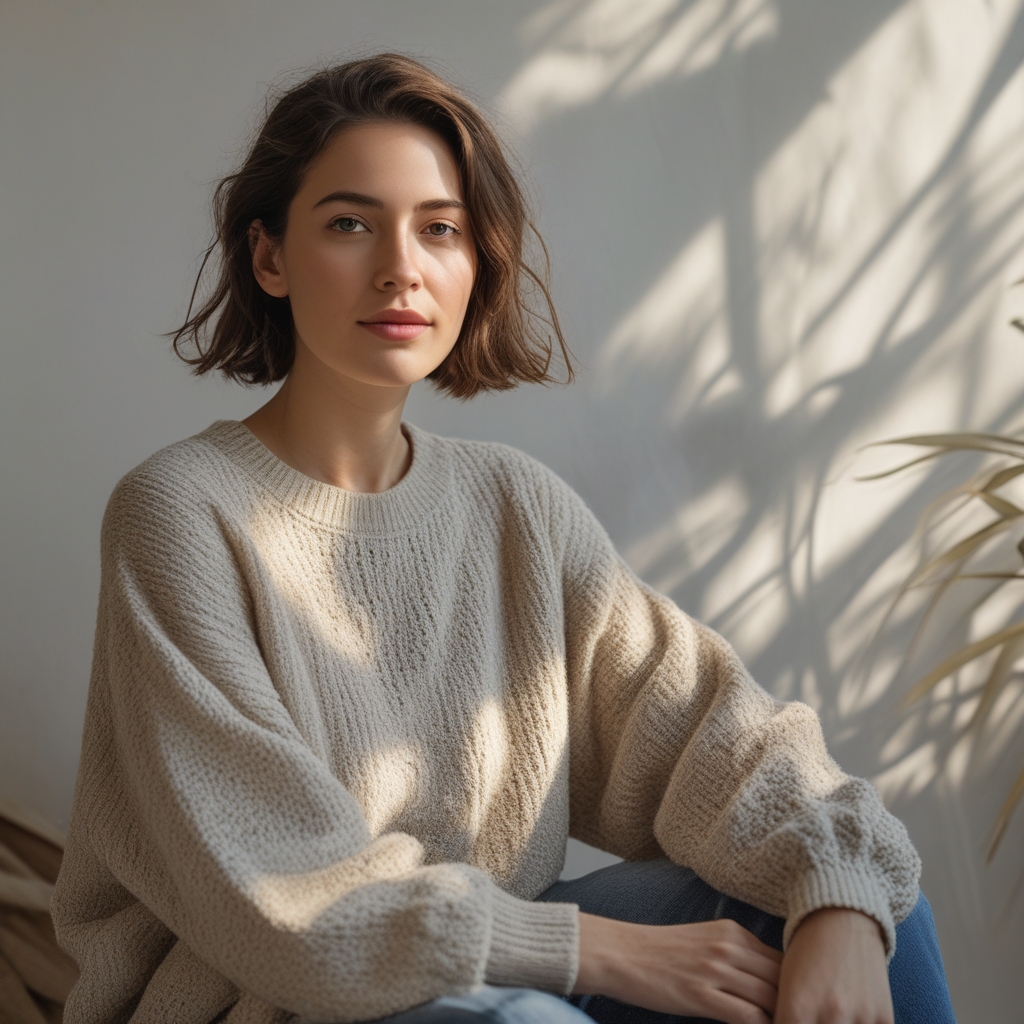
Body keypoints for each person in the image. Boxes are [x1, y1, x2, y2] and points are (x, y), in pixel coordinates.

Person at [51, 54, 956, 1024]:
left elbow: (713, 735)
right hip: (254, 999)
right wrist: (590, 948)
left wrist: (835, 892)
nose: (401, 265)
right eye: (350, 222)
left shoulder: (514, 504)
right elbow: (285, 901)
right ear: (268, 255)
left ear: (474, 260)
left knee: (858, 899)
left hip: (481, 965)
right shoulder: (179, 515)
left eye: (439, 229)